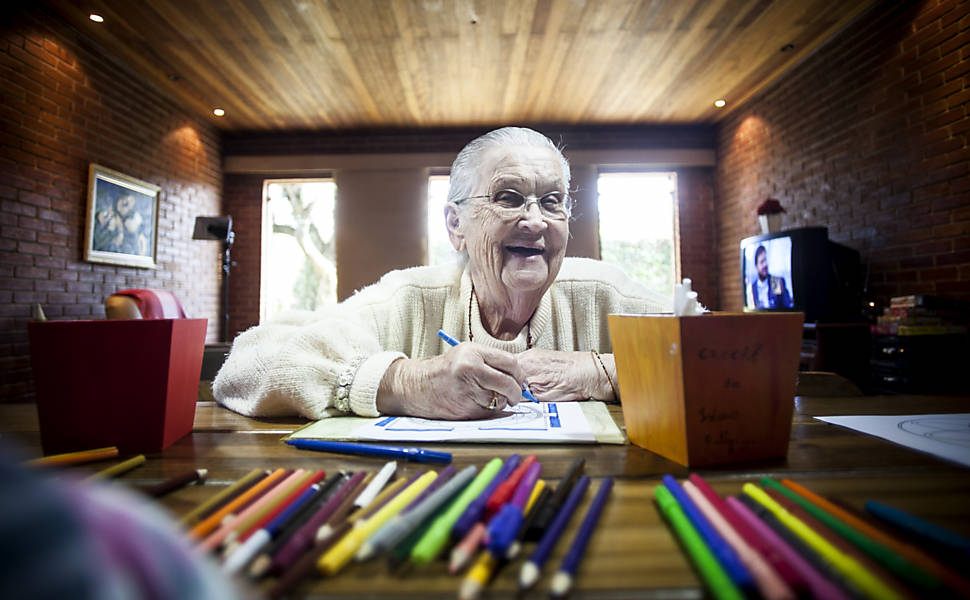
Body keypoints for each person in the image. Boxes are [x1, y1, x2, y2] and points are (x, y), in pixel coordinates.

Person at [214, 127, 671, 421]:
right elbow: (246, 363)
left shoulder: (601, 292)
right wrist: (403, 382)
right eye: (509, 197)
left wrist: (605, 372)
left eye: (553, 202)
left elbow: (728, 356)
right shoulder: (408, 298)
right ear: (456, 226)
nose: (536, 221)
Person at [750, 245, 793, 309]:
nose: (765, 264)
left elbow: (786, 308)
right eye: (762, 262)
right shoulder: (753, 287)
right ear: (756, 267)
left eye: (765, 260)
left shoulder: (775, 281)